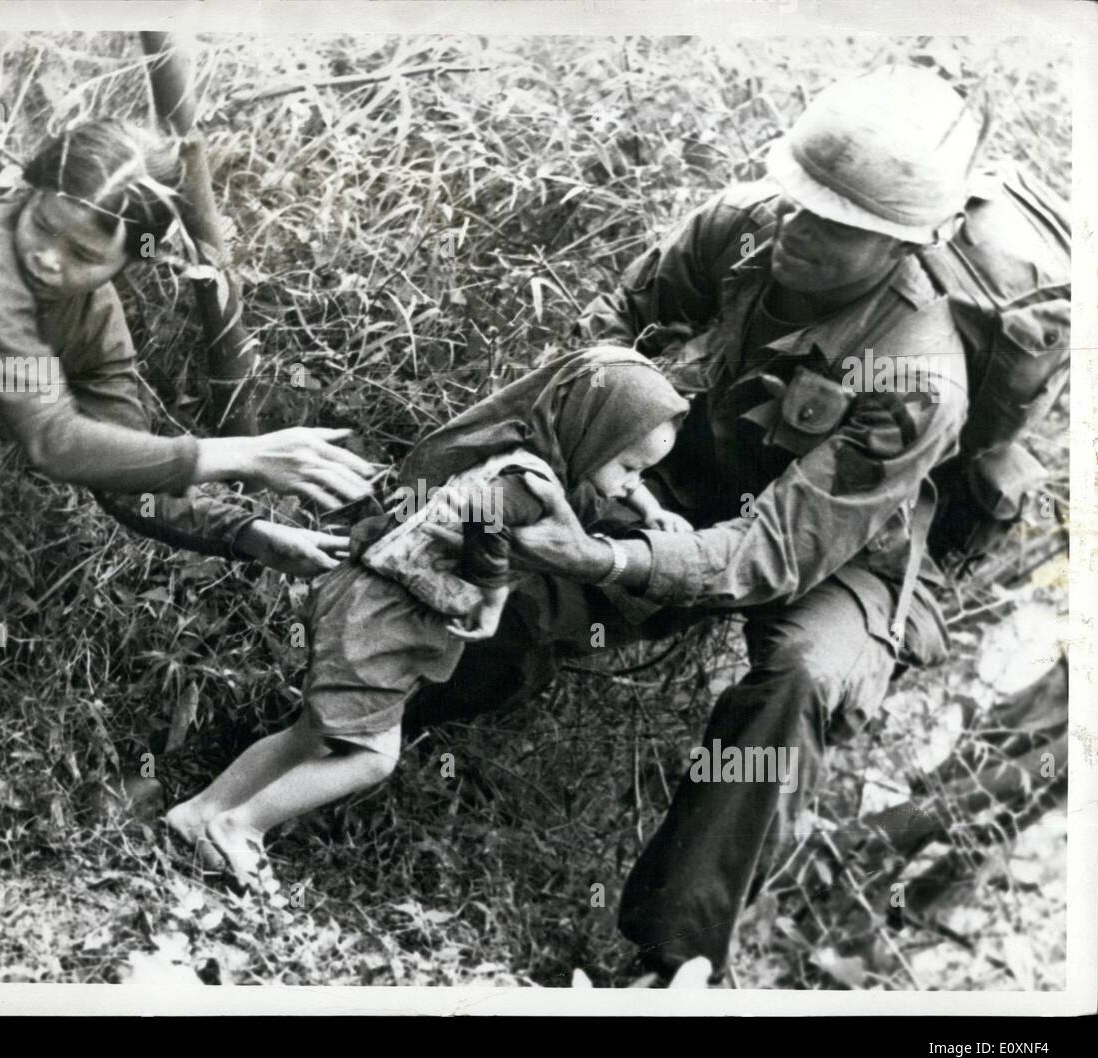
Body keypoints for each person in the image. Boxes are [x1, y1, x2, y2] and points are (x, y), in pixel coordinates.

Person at [413, 66, 981, 985]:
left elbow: (779, 551)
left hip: (838, 552)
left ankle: (674, 962)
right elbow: (619, 326)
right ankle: (340, 735)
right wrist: (596, 463)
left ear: (904, 248)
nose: (799, 230)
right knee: (526, 594)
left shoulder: (913, 374)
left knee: (793, 683)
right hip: (694, 478)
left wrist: (612, 555)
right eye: (799, 202)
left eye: (837, 228)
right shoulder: (746, 226)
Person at [0, 118, 377, 750]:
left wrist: (246, 532)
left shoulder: (92, 319)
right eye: (41, 224)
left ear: (133, 257)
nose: (48, 257)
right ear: (28, 192)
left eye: (86, 256)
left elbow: (117, 461)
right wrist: (243, 455)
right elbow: (54, 440)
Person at [164, 347, 690, 890]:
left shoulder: (534, 451)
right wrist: (491, 594)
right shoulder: (524, 487)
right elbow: (488, 515)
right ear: (594, 436)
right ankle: (240, 828)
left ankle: (200, 813)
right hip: (384, 611)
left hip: (385, 604)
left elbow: (585, 489)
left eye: (644, 474)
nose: (632, 484)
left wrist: (649, 510)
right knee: (371, 758)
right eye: (631, 468)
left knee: (313, 737)